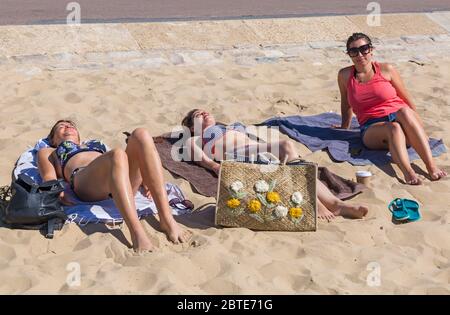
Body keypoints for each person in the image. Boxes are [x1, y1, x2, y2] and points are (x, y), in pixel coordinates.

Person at [181, 109, 368, 221]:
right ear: (191, 126)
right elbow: (197, 155)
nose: (203, 112)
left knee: (297, 164)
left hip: (258, 151)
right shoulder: (197, 138)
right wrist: (213, 166)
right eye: (197, 114)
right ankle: (315, 202)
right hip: (236, 156)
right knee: (287, 147)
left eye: (205, 110)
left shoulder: (226, 127)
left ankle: (336, 204)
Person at [37, 120, 190, 252]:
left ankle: (166, 219)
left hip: (118, 178)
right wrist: (57, 191)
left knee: (140, 134)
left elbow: (124, 163)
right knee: (117, 154)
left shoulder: (93, 145)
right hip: (85, 181)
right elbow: (48, 177)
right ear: (53, 139)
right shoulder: (49, 151)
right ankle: (137, 232)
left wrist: (145, 179)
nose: (68, 126)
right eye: (61, 126)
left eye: (71, 125)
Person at [336, 32, 447, 185]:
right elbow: (345, 103)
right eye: (354, 51)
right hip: (372, 128)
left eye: (364, 49)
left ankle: (431, 166)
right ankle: (408, 172)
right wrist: (344, 126)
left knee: (404, 111)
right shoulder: (344, 75)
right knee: (393, 128)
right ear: (349, 54)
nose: (360, 54)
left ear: (371, 50)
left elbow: (406, 98)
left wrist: (420, 127)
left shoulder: (387, 69)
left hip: (402, 120)